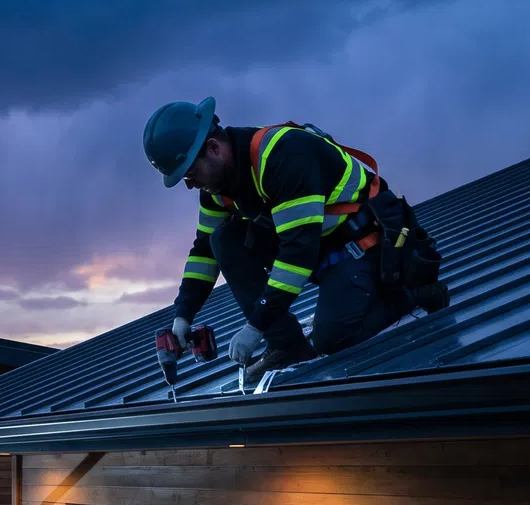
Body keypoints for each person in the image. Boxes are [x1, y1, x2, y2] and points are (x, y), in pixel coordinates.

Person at [142, 96, 445, 372]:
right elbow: (205, 251)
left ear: (213, 148)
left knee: (333, 340)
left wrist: (256, 326)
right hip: (321, 249)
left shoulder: (283, 155)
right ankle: (288, 345)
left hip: (366, 246)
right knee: (223, 239)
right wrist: (184, 314)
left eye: (190, 173)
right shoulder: (217, 187)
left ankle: (413, 295)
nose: (191, 185)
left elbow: (298, 251)